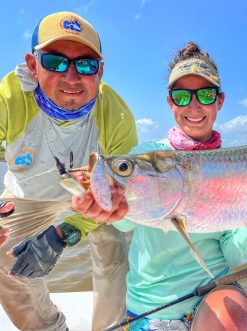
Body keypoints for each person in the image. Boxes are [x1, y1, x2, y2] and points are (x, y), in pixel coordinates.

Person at [73, 41, 247, 331]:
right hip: (148, 303)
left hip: (214, 291)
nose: (194, 105)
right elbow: (123, 224)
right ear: (170, 102)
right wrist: (104, 202)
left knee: (236, 322)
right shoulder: (146, 153)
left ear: (219, 101)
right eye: (182, 96)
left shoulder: (240, 168)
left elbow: (234, 255)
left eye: (206, 94)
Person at [0, 11, 137, 330]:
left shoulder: (117, 115)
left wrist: (65, 232)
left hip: (96, 198)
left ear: (100, 71)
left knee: (113, 247)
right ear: (33, 66)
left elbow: (122, 187)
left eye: (86, 65)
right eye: (55, 62)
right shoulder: (8, 98)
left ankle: (111, 326)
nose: (72, 77)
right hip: (28, 197)